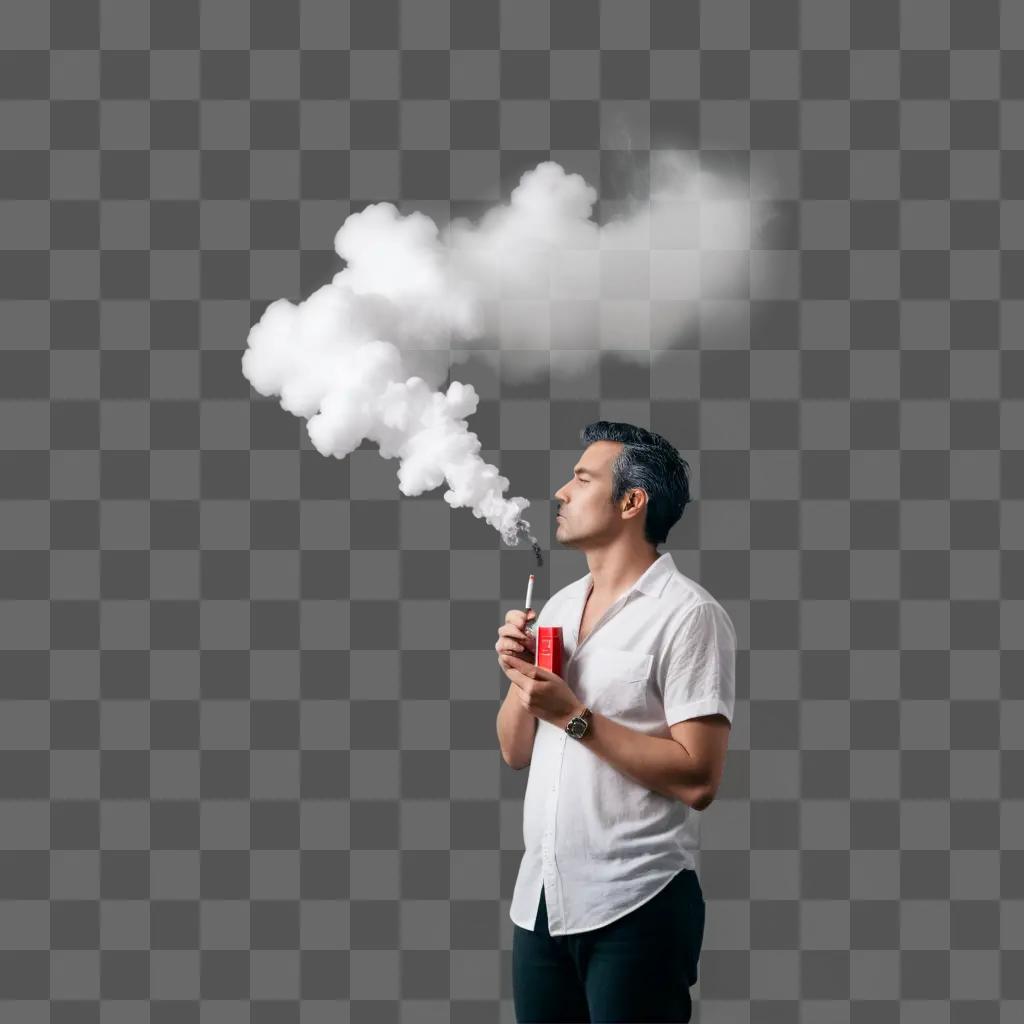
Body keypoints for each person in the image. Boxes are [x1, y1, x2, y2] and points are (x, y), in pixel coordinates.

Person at [494, 421, 736, 1023]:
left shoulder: (689, 616)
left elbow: (699, 779)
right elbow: (514, 751)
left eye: (581, 479)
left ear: (632, 502)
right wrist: (519, 679)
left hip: (638, 905)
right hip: (542, 904)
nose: (561, 493)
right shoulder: (558, 606)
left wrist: (572, 715)